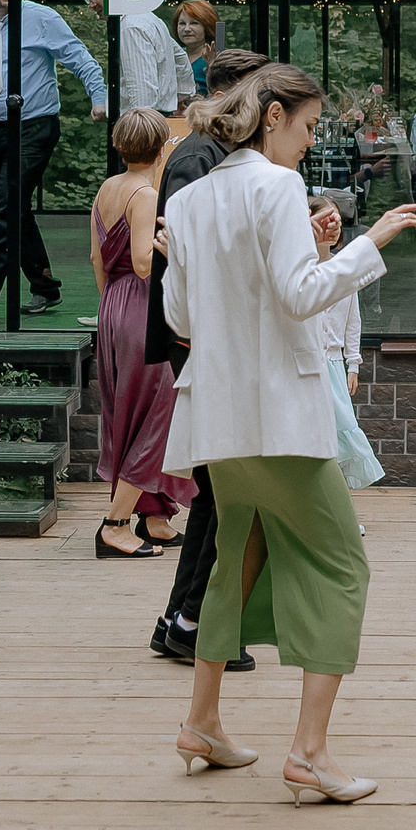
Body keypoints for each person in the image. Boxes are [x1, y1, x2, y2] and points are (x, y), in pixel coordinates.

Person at [162, 65, 416, 805]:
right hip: (278, 413)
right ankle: (308, 753)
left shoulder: (187, 201)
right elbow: (301, 295)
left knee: (235, 560)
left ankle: (201, 722)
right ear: (273, 115)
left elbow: (182, 321)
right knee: (343, 567)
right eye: (309, 127)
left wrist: (305, 248)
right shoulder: (275, 187)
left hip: (217, 417)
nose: (312, 144)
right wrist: (369, 242)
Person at [147, 48, 269, 665]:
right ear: (235, 92)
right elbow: (191, 257)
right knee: (221, 488)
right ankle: (189, 620)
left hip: (206, 338)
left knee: (217, 488)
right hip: (199, 341)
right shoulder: (199, 160)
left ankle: (180, 617)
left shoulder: (208, 157)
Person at [0, 0, 106, 323]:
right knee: (15, 211)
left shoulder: (42, 18)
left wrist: (99, 97)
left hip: (33, 126)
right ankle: (44, 287)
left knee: (6, 208)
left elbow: (79, 58)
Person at [91, 107, 191, 556]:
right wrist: (176, 246)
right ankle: (114, 523)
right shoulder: (145, 192)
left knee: (127, 411)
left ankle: (154, 517)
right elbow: (146, 261)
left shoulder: (106, 188)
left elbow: (98, 261)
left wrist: (112, 304)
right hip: (142, 305)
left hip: (111, 303)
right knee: (159, 413)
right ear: (161, 146)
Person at [309, 196, 386, 492]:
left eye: (337, 220)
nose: (333, 226)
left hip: (333, 363)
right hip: (307, 362)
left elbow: (353, 322)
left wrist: (353, 363)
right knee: (323, 435)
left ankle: (339, 507)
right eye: (326, 219)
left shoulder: (343, 269)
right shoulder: (299, 270)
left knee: (340, 433)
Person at [96, 0, 188, 119]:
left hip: (141, 122)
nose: (91, 4)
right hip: (157, 116)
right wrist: (180, 99)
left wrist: (140, 125)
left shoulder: (130, 27)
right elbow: (180, 58)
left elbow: (143, 94)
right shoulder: (148, 18)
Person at [173, 0, 220, 105]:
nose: (187, 29)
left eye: (194, 23)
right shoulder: (173, 56)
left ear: (208, 26)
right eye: (182, 23)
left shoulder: (219, 57)